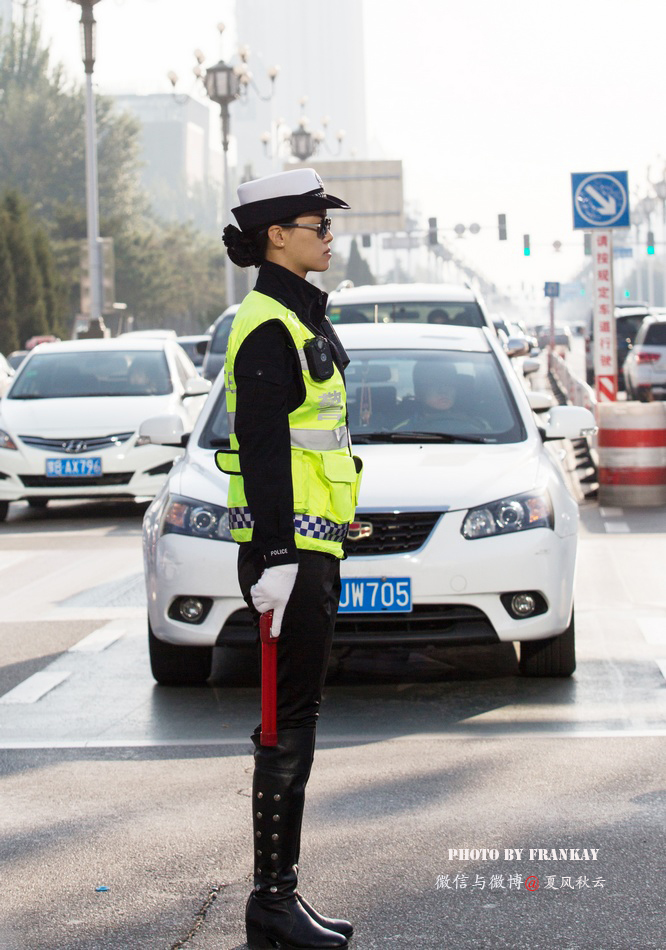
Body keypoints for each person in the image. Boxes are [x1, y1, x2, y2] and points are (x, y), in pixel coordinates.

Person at [216, 168, 361, 950]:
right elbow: (264, 450)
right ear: (279, 234)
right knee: (285, 720)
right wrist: (275, 554)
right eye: (318, 226)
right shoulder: (269, 324)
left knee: (296, 714)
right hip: (287, 556)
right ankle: (271, 902)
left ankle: (280, 898)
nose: (329, 237)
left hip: (308, 546)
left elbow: (318, 446)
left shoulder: (297, 316)